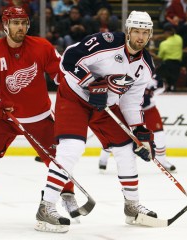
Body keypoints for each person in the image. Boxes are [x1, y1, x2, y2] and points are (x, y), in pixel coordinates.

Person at [35, 10, 158, 233]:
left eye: (145, 32)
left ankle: (132, 207)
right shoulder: (106, 42)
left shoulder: (145, 65)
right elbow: (69, 58)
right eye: (137, 31)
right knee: (71, 148)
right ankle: (46, 207)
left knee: (126, 149)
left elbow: (131, 100)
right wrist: (93, 82)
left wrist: (139, 130)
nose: (140, 37)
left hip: (106, 106)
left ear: (150, 35)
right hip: (74, 98)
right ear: (128, 30)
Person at [0, 6, 70, 224]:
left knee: (57, 160)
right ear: (5, 25)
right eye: (16, 23)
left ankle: (67, 195)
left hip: (38, 115)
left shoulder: (41, 46)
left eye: (24, 22)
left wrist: (75, 88)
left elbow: (60, 74)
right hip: (3, 117)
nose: (21, 27)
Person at [98, 82, 176, 172]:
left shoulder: (154, 76)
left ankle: (163, 161)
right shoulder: (126, 70)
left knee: (159, 135)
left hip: (148, 109)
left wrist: (149, 95)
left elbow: (160, 88)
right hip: (127, 109)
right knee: (116, 136)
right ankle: (103, 159)